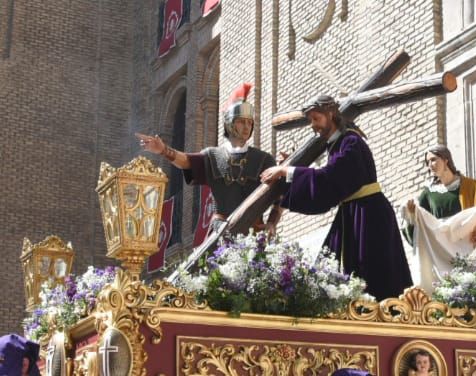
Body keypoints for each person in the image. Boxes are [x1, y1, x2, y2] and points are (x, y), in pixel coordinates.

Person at [260, 95, 413, 301]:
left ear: (331, 113)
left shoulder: (351, 141)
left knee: (372, 277)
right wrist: (289, 173)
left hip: (369, 217)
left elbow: (330, 178)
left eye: (316, 118)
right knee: (329, 269)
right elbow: (327, 187)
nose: (313, 126)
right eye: (311, 120)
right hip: (353, 214)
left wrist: (286, 171)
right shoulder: (337, 144)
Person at [137, 83, 282, 236]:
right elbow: (187, 161)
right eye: (241, 121)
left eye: (249, 122)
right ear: (230, 124)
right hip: (220, 231)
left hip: (254, 233)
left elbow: (280, 197)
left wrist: (272, 222)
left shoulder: (263, 159)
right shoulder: (212, 156)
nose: (246, 127)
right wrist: (163, 150)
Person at [402, 144, 476, 245]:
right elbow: (421, 226)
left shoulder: (469, 186)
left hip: (466, 243)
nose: (430, 165)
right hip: (443, 247)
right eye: (428, 162)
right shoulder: (429, 193)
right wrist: (412, 214)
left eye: (433, 160)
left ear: (446, 160)